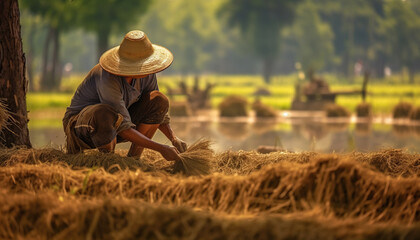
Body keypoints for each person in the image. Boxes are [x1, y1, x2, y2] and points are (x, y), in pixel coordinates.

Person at [62, 30, 186, 162]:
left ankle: (133, 160)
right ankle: (108, 161)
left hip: (117, 123)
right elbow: (122, 126)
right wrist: (161, 148)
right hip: (85, 127)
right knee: (104, 113)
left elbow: (158, 113)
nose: (147, 68)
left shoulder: (147, 74)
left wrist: (173, 138)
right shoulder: (107, 77)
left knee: (158, 100)